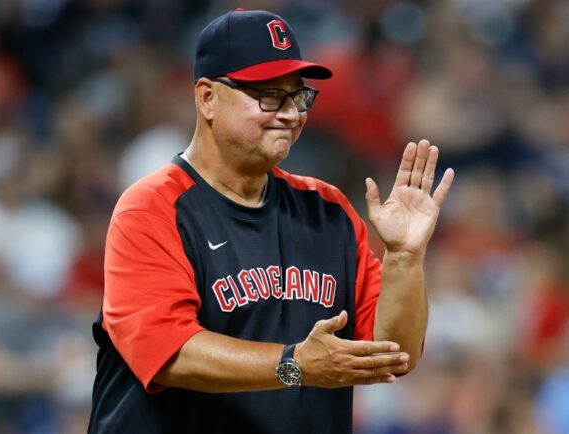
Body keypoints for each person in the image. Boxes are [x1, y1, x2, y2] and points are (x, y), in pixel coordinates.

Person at [88, 8, 454, 434]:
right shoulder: (152, 208)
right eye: (268, 95)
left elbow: (393, 354)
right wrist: (293, 365)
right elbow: (171, 354)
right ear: (207, 97)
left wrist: (404, 259)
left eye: (297, 96)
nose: (290, 114)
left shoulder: (328, 210)